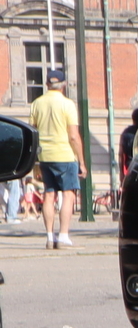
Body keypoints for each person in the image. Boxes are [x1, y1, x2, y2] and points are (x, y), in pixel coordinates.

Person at [29, 74, 80, 248]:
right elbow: (73, 136)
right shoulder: (68, 104)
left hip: (44, 156)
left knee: (48, 195)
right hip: (65, 154)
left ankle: (50, 237)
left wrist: (35, 161)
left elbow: (32, 134)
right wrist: (81, 160)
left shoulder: (37, 103)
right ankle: (63, 235)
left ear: (47, 84)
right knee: (68, 194)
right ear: (64, 85)